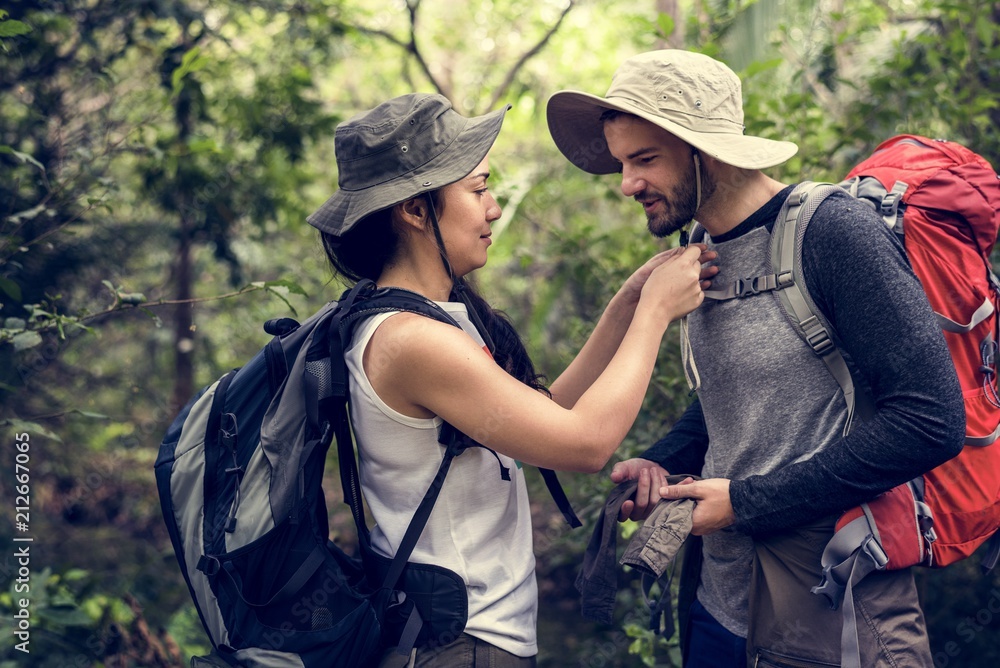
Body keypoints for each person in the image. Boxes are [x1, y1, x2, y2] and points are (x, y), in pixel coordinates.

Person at [545, 50, 965, 667]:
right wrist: (663, 463)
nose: (627, 183)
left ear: (705, 150)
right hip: (718, 603)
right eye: (622, 163)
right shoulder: (700, 248)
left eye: (645, 160)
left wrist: (744, 503)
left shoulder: (832, 234)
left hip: (832, 605)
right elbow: (739, 397)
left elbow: (931, 420)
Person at [305, 92, 716, 667]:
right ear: (415, 211)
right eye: (477, 190)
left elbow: (542, 415)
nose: (493, 208)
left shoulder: (432, 316)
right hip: (460, 642)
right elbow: (583, 443)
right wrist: (653, 314)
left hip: (467, 633)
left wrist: (627, 303)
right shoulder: (409, 340)